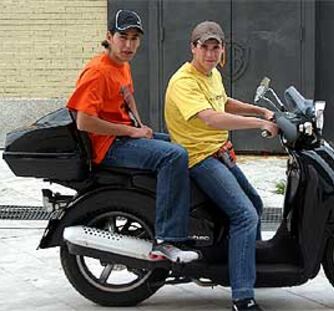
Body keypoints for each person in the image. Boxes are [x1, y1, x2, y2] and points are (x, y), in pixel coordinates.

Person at [66, 9, 199, 264]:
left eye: (134, 38)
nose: (129, 44)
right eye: (123, 37)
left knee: (184, 145)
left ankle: (191, 217)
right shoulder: (97, 71)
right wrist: (132, 131)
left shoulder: (121, 65)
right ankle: (168, 240)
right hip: (109, 145)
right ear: (109, 37)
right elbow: (84, 121)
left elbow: (126, 97)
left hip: (125, 137)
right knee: (174, 156)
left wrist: (141, 126)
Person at [164, 21, 278, 311]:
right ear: (193, 48)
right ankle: (242, 296)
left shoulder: (211, 74)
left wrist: (260, 109)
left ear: (222, 49)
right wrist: (259, 123)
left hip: (218, 153)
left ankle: (249, 266)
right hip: (199, 158)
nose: (211, 54)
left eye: (216, 47)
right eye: (205, 47)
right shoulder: (184, 82)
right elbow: (211, 118)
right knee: (245, 215)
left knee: (255, 204)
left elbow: (222, 103)